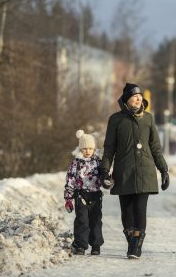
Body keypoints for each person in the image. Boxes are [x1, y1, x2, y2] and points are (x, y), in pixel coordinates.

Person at [100, 82, 170, 259]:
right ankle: (131, 238)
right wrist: (105, 170)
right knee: (126, 211)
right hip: (124, 171)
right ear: (126, 100)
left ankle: (136, 245)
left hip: (145, 171)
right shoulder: (116, 120)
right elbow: (109, 148)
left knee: (140, 209)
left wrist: (164, 170)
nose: (138, 98)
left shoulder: (148, 118)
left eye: (139, 96)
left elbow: (155, 147)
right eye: (134, 96)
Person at [64, 130, 106, 255]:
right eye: (85, 148)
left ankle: (96, 245)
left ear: (94, 149)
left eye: (90, 148)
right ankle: (81, 245)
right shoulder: (75, 164)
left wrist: (108, 180)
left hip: (95, 196)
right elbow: (70, 180)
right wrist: (68, 198)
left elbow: (104, 176)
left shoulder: (98, 162)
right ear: (80, 149)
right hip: (80, 195)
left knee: (96, 220)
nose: (88, 151)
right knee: (82, 220)